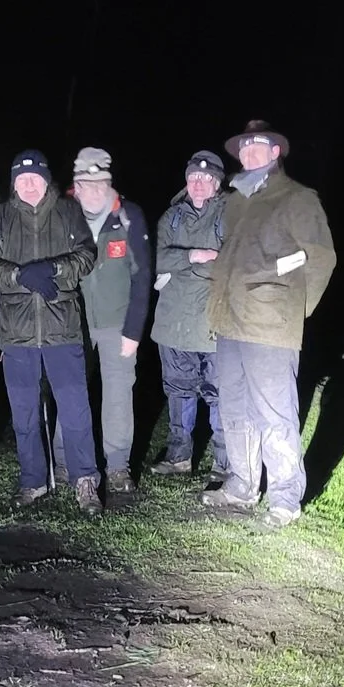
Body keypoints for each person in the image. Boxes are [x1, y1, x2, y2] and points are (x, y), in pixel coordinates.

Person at [202, 120, 336, 528]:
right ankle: (242, 486)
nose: (248, 153)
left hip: (270, 324)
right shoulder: (237, 199)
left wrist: (294, 308)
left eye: (257, 146)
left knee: (274, 412)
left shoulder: (298, 198)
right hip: (230, 321)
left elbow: (320, 257)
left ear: (276, 151)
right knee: (234, 407)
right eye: (243, 148)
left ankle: (284, 498)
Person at [0, 150, 103, 515]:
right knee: (24, 412)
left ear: (47, 180)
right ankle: (33, 480)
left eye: (35, 178)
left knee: (76, 409)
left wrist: (53, 269)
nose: (29, 184)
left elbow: (86, 255)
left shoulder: (68, 212)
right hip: (16, 330)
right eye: (21, 178)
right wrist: (18, 275)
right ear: (13, 183)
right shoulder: (0, 217)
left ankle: (85, 481)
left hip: (62, 327)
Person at [54, 146, 151, 494]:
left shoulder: (129, 215)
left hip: (117, 324)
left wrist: (134, 329)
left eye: (100, 183)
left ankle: (119, 467)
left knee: (118, 395)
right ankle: (64, 463)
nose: (93, 191)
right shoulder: (62, 215)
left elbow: (143, 276)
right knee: (70, 393)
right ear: (75, 186)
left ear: (110, 182)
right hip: (71, 323)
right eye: (85, 183)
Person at [151, 149, 230, 482]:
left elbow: (231, 261)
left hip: (214, 320)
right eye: (193, 177)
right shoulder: (171, 217)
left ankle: (226, 464)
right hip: (174, 322)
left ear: (217, 182)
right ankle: (179, 456)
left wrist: (181, 264)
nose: (198, 184)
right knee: (179, 390)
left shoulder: (232, 214)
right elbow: (156, 260)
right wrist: (197, 255)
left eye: (206, 178)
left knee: (219, 394)